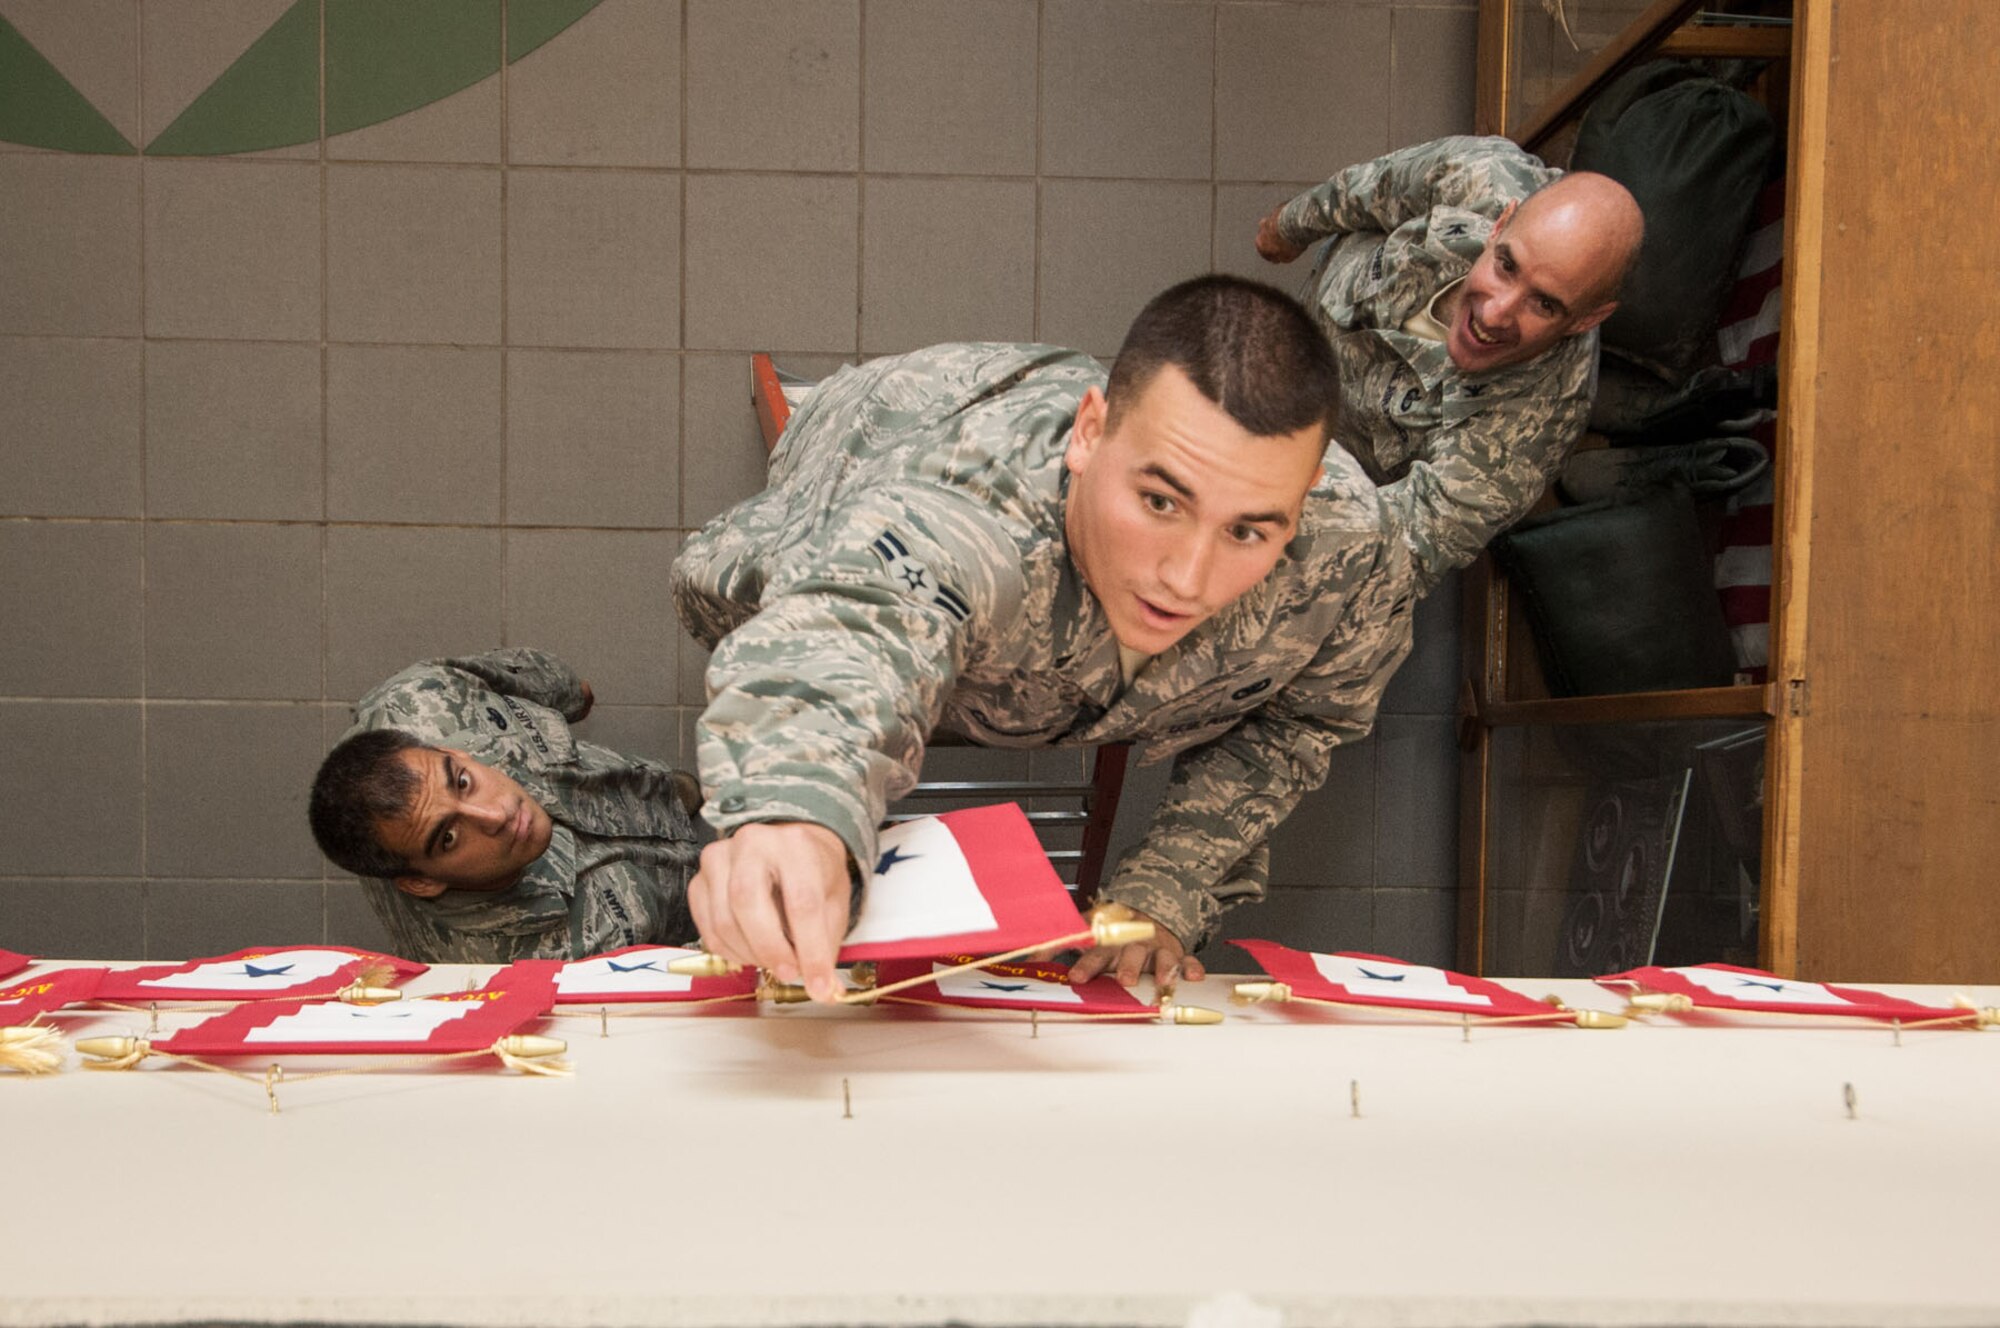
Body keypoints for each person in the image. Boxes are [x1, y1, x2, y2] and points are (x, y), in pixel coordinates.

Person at [672, 275, 1414, 1003]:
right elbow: (853, 631)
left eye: (1248, 529)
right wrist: (795, 811)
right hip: (881, 426)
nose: (1187, 579)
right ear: (1089, 434)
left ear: (1307, 491)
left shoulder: (1351, 548)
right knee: (758, 585)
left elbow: (1302, 722)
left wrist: (1163, 891)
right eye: (1160, 501)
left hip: (1029, 493)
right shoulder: (967, 516)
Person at [1255, 135, 1645, 592]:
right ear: (1500, 225)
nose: (1495, 313)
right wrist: (1288, 227)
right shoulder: (1483, 175)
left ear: (1587, 319)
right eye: (1506, 266)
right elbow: (1370, 188)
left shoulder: (1522, 442)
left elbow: (1391, 549)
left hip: (1327, 453)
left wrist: (1250, 527)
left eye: (1543, 304)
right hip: (1322, 310)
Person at [309, 648, 700, 964]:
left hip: (628, 794)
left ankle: (673, 800)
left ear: (450, 750)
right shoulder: (518, 966)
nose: (496, 815)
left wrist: (568, 695)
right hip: (688, 907)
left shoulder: (424, 701)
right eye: (449, 837)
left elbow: (539, 680)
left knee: (652, 789)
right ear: (422, 882)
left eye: (463, 782)